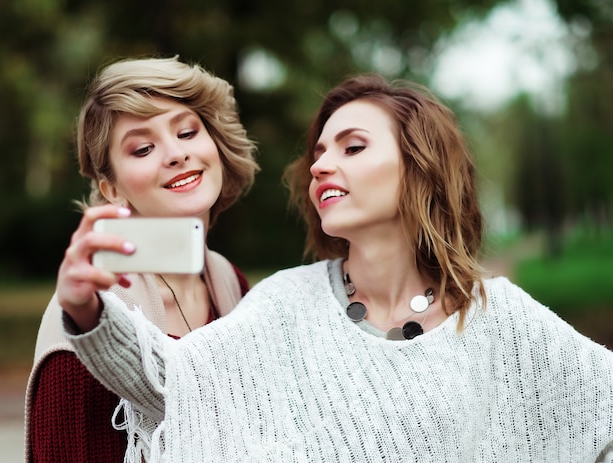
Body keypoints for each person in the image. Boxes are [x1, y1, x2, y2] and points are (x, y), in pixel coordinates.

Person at [58, 74, 613, 462]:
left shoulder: (501, 316)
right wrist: (85, 310)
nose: (321, 165)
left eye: (351, 148)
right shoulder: (282, 302)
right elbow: (171, 384)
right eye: (319, 152)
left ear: (418, 168)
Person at [24, 56, 259, 462]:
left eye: (187, 132)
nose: (175, 154)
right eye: (143, 148)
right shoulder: (87, 319)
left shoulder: (230, 283)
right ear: (112, 190)